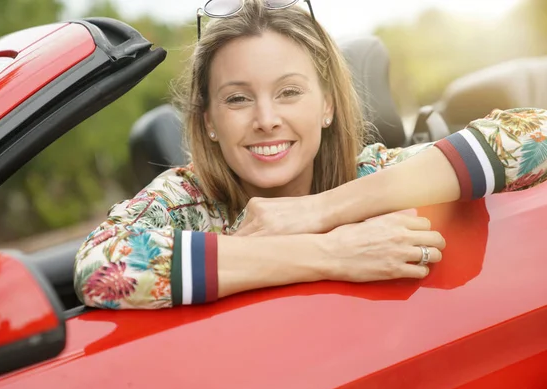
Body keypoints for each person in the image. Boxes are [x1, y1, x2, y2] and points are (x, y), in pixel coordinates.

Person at [74, 0, 547, 309]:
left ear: (327, 106)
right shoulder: (183, 200)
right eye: (238, 98)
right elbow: (100, 266)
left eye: (289, 92)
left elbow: (537, 135)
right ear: (209, 122)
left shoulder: (370, 173)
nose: (266, 119)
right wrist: (328, 252)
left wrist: (317, 210)